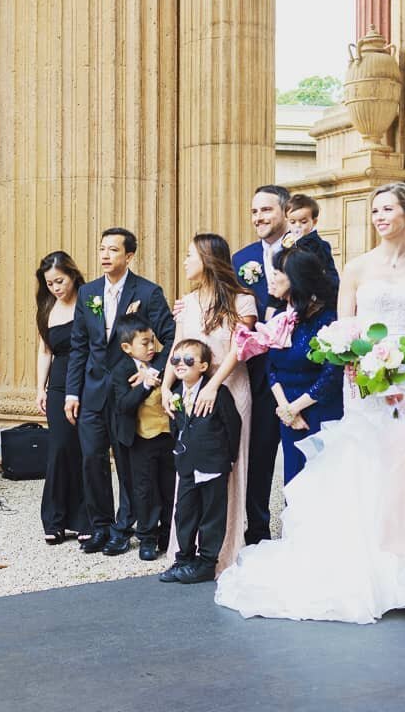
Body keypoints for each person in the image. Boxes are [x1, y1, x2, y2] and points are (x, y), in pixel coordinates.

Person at [215, 181, 405, 623]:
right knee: (367, 460)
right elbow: (342, 331)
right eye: (375, 209)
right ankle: (371, 565)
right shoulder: (356, 268)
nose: (379, 216)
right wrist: (356, 363)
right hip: (365, 377)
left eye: (388, 209)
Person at [231, 185, 336, 545]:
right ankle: (258, 531)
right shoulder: (241, 258)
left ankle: (304, 530)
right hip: (261, 374)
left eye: (266, 210)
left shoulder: (311, 250)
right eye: (254, 211)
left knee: (305, 458)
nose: (259, 217)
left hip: (303, 371)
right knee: (259, 457)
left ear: (284, 212)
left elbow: (330, 292)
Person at [65, 228, 175, 555]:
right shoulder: (88, 293)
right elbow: (79, 345)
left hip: (130, 393)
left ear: (128, 256)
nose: (105, 255)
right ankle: (99, 525)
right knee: (91, 459)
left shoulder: (149, 292)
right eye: (102, 249)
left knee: (128, 464)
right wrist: (73, 393)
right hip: (93, 391)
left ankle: (124, 527)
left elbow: (169, 337)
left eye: (113, 250)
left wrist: (152, 373)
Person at [161, 233, 256, 575]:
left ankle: (223, 551)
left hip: (229, 388)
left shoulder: (242, 301)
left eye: (190, 255)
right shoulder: (185, 302)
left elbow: (238, 348)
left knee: (227, 470)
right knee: (190, 468)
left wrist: (213, 385)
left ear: (207, 258)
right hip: (191, 389)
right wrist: (165, 386)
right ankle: (186, 550)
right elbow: (177, 346)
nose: (185, 262)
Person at [237, 245, 342, 485]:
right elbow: (271, 366)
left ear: (296, 278)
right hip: (287, 412)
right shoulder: (279, 318)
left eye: (277, 273)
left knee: (319, 483)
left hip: (319, 410)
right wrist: (285, 408)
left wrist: (296, 408)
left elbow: (331, 376)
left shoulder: (327, 319)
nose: (271, 278)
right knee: (293, 481)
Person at [158, 339, 242, 584]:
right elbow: (176, 426)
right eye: (176, 360)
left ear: (203, 366)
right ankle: (183, 558)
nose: (180, 364)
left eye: (188, 360)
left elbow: (232, 425)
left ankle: (206, 562)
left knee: (211, 516)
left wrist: (228, 459)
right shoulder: (174, 394)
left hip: (213, 465)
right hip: (186, 464)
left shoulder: (218, 393)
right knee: (183, 514)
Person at [35, 251, 89, 545]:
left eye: (60, 281)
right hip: (58, 382)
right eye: (50, 283)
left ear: (72, 275)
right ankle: (54, 519)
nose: (56, 288)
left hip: (86, 380)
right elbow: (45, 352)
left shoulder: (89, 299)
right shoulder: (47, 309)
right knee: (59, 449)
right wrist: (39, 388)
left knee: (84, 449)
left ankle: (84, 519)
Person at [110, 314, 174, 560]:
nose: (151, 347)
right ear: (127, 348)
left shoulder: (161, 362)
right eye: (144, 343)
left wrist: (153, 372)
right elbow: (124, 405)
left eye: (152, 341)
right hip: (139, 440)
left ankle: (168, 534)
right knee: (145, 489)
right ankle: (147, 537)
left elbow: (171, 348)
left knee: (169, 486)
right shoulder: (121, 371)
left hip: (167, 436)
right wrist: (145, 385)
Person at [283, 193, 340, 287]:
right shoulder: (285, 241)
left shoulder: (320, 245)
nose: (297, 226)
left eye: (303, 222)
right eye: (292, 222)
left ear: (314, 222)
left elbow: (330, 274)